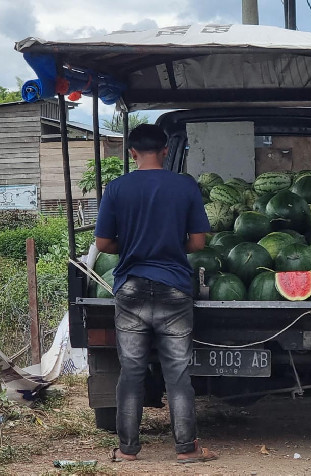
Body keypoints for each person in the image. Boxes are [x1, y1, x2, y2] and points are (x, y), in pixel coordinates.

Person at [94, 124, 218, 464]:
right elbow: (197, 242)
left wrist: (132, 245)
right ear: (165, 151)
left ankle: (127, 450)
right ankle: (187, 449)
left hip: (130, 288)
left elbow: (103, 244)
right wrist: (169, 244)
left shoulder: (117, 188)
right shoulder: (185, 185)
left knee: (131, 372)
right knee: (177, 373)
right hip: (174, 288)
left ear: (132, 153)